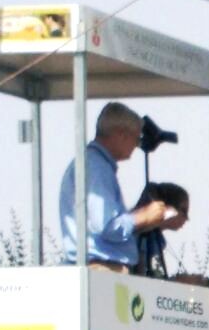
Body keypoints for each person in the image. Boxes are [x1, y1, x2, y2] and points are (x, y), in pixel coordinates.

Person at [58, 102, 184, 271]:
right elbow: (106, 226)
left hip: (99, 267)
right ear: (121, 134)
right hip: (101, 269)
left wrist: (149, 220)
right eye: (136, 138)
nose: (137, 145)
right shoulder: (97, 167)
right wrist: (142, 217)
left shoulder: (93, 164)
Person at [133, 182, 190, 278]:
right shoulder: (142, 235)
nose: (187, 218)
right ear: (168, 208)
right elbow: (142, 276)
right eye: (184, 211)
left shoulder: (157, 239)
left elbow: (156, 276)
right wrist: (180, 281)